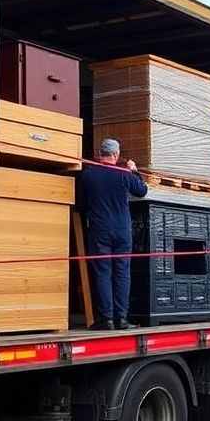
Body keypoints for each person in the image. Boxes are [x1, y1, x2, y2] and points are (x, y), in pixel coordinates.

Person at [80, 138, 148, 330]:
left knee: (103, 272)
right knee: (122, 273)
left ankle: (106, 319)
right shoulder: (124, 173)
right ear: (116, 155)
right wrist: (134, 170)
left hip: (99, 228)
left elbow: (82, 205)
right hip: (122, 230)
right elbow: (142, 191)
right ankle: (122, 319)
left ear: (99, 153)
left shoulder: (88, 175)